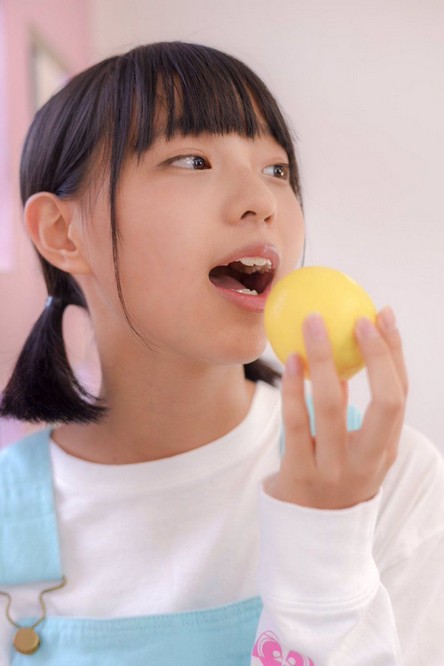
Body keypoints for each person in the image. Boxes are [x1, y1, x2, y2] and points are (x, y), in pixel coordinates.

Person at [0, 41, 443, 666]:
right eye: (192, 160)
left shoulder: (389, 480)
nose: (262, 201)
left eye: (277, 170)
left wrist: (326, 538)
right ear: (62, 233)